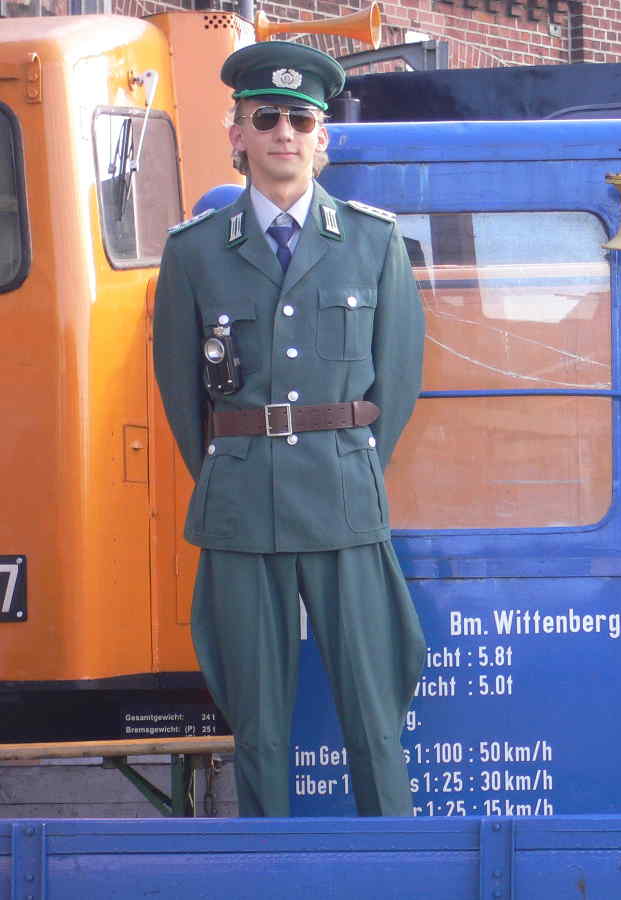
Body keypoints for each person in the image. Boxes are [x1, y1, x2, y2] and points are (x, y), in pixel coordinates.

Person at [152, 40, 426, 817]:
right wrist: (236, 469)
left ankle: (396, 864)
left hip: (344, 501)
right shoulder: (195, 252)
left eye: (301, 120)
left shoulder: (371, 241)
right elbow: (183, 398)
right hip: (242, 508)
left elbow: (397, 380)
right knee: (257, 725)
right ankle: (264, 868)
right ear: (236, 134)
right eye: (266, 117)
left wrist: (348, 460)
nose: (284, 133)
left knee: (375, 713)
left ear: (322, 139)